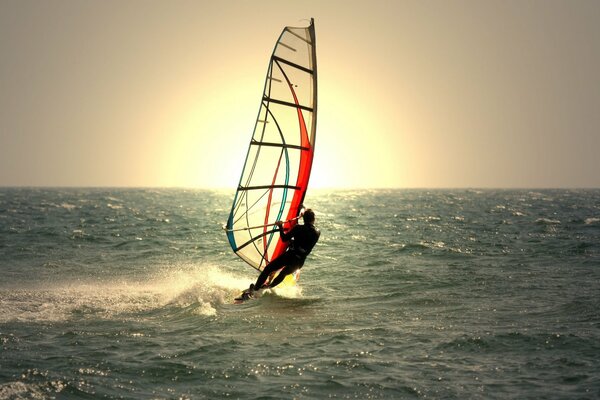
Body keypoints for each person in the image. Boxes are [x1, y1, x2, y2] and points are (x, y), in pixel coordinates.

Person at [245, 208, 320, 298]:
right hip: (299, 261)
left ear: (303, 218)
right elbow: (305, 240)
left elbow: (284, 238)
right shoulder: (317, 232)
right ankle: (268, 287)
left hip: (289, 256)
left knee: (268, 269)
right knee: (283, 274)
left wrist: (280, 226)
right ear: (313, 219)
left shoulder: (298, 228)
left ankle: (256, 289)